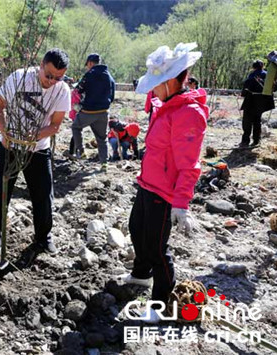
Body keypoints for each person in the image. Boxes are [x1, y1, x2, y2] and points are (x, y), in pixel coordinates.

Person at [122, 43, 208, 323]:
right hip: (148, 183)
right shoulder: (165, 106)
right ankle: (140, 274)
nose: (152, 90)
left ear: (171, 82)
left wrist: (181, 203)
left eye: (156, 84)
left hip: (165, 192)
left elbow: (189, 164)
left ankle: (159, 305)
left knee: (157, 248)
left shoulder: (188, 114)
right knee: (136, 228)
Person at [0, 48, 71, 255]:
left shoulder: (62, 91)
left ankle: (43, 238)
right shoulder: (19, 77)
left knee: (43, 195)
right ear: (41, 65)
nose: (52, 81)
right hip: (9, 147)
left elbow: (55, 126)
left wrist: (34, 135)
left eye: (58, 78)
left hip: (38, 149)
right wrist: (5, 132)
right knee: (1, 193)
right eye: (49, 75)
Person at [72, 53, 115, 172]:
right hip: (104, 112)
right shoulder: (109, 76)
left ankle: (81, 151)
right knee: (102, 138)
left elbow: (79, 89)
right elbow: (112, 96)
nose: (87, 67)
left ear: (90, 63)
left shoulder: (89, 75)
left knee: (76, 127)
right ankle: (104, 163)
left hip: (88, 111)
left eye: (87, 65)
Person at [239, 60, 268, 147]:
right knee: (257, 121)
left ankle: (245, 141)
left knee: (247, 121)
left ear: (254, 67)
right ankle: (256, 140)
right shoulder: (266, 74)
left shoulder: (252, 75)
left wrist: (243, 93)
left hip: (250, 100)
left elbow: (246, 87)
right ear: (262, 66)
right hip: (260, 101)